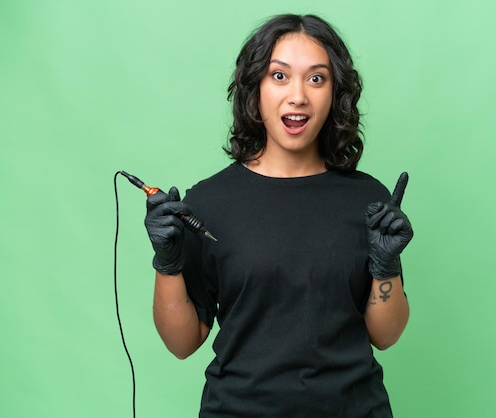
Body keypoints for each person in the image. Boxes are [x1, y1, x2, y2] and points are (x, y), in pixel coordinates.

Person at [144, 13, 414, 417]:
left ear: (335, 93)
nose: (299, 96)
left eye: (317, 78)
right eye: (280, 76)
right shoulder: (208, 202)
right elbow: (182, 344)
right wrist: (167, 264)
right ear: (255, 90)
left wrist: (386, 265)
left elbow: (386, 335)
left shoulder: (369, 199)